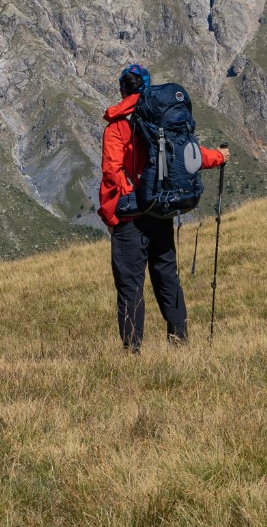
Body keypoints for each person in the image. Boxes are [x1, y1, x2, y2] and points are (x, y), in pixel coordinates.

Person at [98, 64, 229, 351]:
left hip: (130, 218)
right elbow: (188, 156)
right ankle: (180, 341)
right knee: (166, 276)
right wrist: (219, 156)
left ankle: (132, 351)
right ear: (148, 88)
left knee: (130, 286)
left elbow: (111, 171)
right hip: (160, 209)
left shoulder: (118, 126)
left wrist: (114, 211)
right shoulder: (161, 121)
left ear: (122, 90)